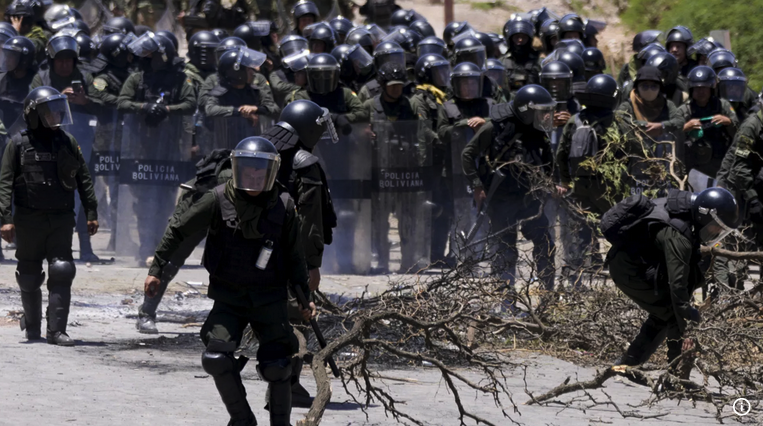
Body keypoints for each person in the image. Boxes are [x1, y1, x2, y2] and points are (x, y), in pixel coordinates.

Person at [143, 136, 314, 426]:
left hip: (269, 296)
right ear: (238, 169)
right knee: (216, 357)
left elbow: (295, 256)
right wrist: (157, 268)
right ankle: (242, 419)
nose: (254, 176)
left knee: (278, 365)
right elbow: (179, 229)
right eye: (248, 169)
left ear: (271, 172)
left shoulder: (284, 206)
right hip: (229, 296)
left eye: (261, 171)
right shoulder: (217, 198)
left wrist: (303, 295)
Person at [0, 86, 98, 345]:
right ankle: (33, 329)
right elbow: (5, 184)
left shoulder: (67, 142)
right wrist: (6, 219)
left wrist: (91, 212)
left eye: (58, 111)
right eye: (50, 112)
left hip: (61, 219)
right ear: (34, 115)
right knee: (29, 274)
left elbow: (84, 179)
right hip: (28, 220)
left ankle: (56, 331)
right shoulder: (18, 144)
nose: (56, 116)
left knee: (62, 270)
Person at [608, 188, 738, 377]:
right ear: (704, 216)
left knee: (668, 310)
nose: (716, 233)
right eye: (715, 228)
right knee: (671, 313)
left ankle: (628, 364)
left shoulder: (683, 206)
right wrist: (688, 317)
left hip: (637, 260)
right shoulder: (678, 236)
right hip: (628, 271)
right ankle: (672, 373)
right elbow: (677, 288)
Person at [263, 99, 337, 407]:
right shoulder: (305, 163)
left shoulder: (264, 151)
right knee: (296, 317)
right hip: (290, 257)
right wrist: (311, 266)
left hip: (259, 253)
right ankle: (284, 386)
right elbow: (309, 223)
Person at [461, 84, 556, 291]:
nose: (545, 116)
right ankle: (505, 298)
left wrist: (549, 184)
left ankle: (548, 294)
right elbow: (467, 155)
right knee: (505, 249)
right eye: (540, 111)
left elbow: (548, 161)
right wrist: (477, 187)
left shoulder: (537, 130)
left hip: (529, 196)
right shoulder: (494, 127)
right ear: (526, 111)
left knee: (545, 242)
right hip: (502, 197)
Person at [117, 32, 196, 266]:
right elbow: (122, 102)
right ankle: (144, 248)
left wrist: (168, 110)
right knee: (143, 202)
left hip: (170, 151)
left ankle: (160, 249)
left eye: (151, 55)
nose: (145, 58)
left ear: (164, 55)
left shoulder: (181, 79)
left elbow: (191, 104)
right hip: (141, 149)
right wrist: (145, 107)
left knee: (164, 202)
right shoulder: (137, 78)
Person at [31, 33, 104, 262]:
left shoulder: (87, 77)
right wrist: (56, 100)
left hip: (81, 147)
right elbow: (29, 109)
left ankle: (85, 246)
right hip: (47, 147)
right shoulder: (40, 78)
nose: (65, 64)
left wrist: (87, 102)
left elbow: (108, 106)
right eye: (60, 60)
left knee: (84, 196)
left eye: (69, 60)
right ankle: (45, 245)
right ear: (52, 60)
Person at [556, 74, 622, 285]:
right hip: (609, 189)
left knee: (580, 233)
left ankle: (575, 280)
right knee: (617, 230)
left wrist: (566, 181)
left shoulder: (574, 121)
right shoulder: (618, 122)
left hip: (579, 187)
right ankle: (622, 274)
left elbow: (560, 155)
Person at [616, 66, 684, 195]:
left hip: (664, 164)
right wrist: (644, 126)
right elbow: (621, 120)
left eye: (654, 86)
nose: (649, 90)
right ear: (637, 87)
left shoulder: (667, 105)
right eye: (645, 86)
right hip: (635, 165)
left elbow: (679, 121)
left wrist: (662, 126)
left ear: (660, 88)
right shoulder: (628, 105)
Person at [678, 65, 738, 178]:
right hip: (694, 164)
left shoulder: (723, 105)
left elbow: (739, 132)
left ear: (711, 88)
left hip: (720, 162)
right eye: (697, 88)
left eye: (704, 88)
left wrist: (728, 122)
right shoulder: (685, 110)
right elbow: (671, 134)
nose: (701, 91)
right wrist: (686, 127)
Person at [501, 18, 542, 96]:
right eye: (517, 37)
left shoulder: (538, 62)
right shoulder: (502, 62)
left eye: (524, 37)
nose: (520, 40)